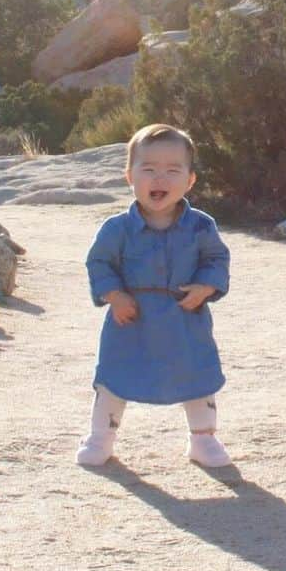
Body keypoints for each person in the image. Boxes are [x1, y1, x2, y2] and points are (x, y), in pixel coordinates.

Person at [76, 123, 232, 468]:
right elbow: (99, 262)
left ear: (190, 180)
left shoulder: (201, 226)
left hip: (184, 317)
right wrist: (114, 295)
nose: (159, 179)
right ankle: (100, 437)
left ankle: (203, 440)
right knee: (114, 378)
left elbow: (216, 259)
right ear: (129, 176)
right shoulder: (116, 229)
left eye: (172, 170)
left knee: (197, 377)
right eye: (148, 169)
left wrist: (206, 287)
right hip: (130, 320)